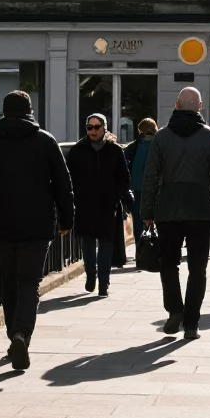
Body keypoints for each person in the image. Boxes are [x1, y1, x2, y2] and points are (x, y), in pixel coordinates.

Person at [0, 91, 74, 370]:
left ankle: (15, 335)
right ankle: (22, 334)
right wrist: (67, 219)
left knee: (8, 282)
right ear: (30, 111)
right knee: (29, 282)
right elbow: (63, 183)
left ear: (4, 112)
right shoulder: (45, 141)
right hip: (37, 225)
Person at [140, 87, 210, 340]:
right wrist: (205, 184)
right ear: (200, 107)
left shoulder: (161, 137)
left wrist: (147, 210)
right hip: (201, 208)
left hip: (168, 207)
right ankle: (191, 323)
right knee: (198, 267)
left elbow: (150, 176)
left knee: (169, 264)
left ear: (177, 105)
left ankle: (174, 310)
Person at [67, 113, 132, 299]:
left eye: (97, 127)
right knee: (87, 244)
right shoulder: (78, 150)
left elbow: (124, 178)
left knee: (106, 245)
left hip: (107, 206)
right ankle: (91, 275)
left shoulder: (114, 150)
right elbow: (68, 177)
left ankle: (104, 282)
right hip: (84, 206)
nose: (93, 131)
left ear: (104, 128)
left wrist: (116, 196)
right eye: (90, 127)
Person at [124, 118, 157, 241]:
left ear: (140, 130)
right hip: (156, 189)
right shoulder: (160, 145)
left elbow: (125, 169)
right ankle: (156, 245)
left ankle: (141, 246)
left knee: (138, 221)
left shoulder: (133, 147)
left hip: (137, 189)